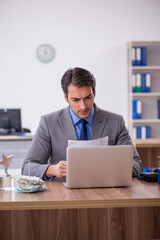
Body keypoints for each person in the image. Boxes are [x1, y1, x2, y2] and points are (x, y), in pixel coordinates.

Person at [21, 67, 143, 180]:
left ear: (94, 92)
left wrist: (110, 170)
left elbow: (136, 164)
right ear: (65, 97)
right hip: (64, 195)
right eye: (76, 100)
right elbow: (27, 167)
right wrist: (52, 169)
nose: (83, 106)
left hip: (105, 192)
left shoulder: (115, 122)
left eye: (88, 97)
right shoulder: (49, 123)